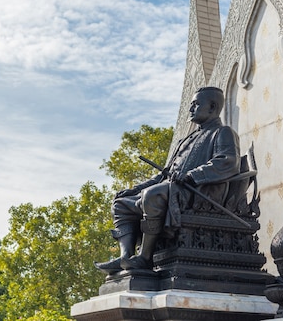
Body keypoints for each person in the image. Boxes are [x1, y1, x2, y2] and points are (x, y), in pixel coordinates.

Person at [95, 87, 241, 274]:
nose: (191, 109)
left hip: (201, 193)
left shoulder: (223, 132)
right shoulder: (186, 139)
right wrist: (135, 189)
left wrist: (191, 175)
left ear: (212, 107)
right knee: (121, 203)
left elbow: (228, 162)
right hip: (173, 189)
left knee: (152, 195)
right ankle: (125, 256)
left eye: (196, 105)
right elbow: (164, 174)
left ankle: (145, 257)